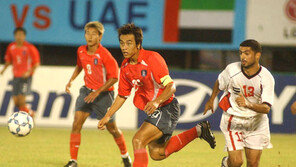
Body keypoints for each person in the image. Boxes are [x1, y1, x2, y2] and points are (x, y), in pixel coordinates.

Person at [98, 23, 216, 167]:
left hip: (166, 107)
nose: (124, 47)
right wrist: (108, 115)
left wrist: (156, 101)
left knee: (138, 140)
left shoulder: (152, 59)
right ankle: (198, 130)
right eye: (122, 43)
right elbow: (122, 95)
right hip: (157, 110)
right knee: (157, 153)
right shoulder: (125, 66)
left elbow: (171, 87)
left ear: (138, 44)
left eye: (129, 43)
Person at [64, 21, 131, 167]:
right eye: (87, 33)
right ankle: (73, 161)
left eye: (94, 34)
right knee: (76, 124)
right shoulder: (81, 50)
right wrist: (71, 80)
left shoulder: (104, 55)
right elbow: (80, 65)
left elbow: (114, 77)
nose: (90, 36)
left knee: (112, 129)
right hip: (86, 92)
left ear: (100, 37)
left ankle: (125, 156)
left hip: (104, 96)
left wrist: (98, 92)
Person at [204, 39, 274, 167]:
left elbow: (266, 108)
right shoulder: (232, 70)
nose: (243, 56)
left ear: (257, 55)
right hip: (234, 119)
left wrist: (248, 104)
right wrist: (211, 99)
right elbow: (220, 83)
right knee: (236, 162)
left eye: (247, 53)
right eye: (241, 53)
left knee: (253, 164)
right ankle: (226, 163)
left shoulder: (266, 78)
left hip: (257, 123)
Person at [0, 27, 40, 117]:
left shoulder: (30, 48)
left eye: (21, 35)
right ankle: (31, 113)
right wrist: (3, 70)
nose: (19, 37)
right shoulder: (11, 47)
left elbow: (36, 63)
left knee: (22, 99)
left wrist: (28, 72)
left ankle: (26, 119)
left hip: (26, 77)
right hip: (15, 76)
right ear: (14, 36)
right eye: (17, 35)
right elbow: (8, 60)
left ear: (24, 36)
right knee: (16, 101)